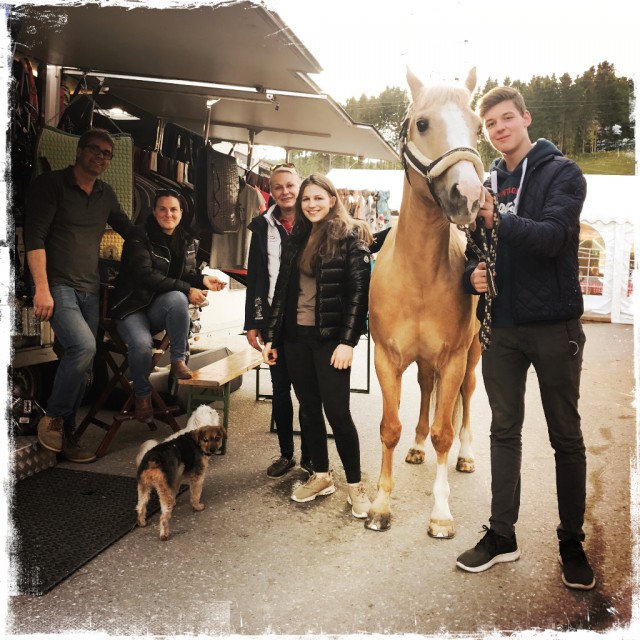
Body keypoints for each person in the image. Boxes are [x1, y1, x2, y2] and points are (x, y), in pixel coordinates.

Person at [456, 86, 594, 590]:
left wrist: (500, 218)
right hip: (503, 329)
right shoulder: (485, 181)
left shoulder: (563, 173)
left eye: (506, 119)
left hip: (556, 326)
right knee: (503, 431)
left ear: (525, 118)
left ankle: (571, 541)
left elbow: (553, 237)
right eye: (490, 124)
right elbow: (475, 244)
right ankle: (501, 534)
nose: (499, 129)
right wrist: (472, 271)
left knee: (566, 437)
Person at [262, 173, 372, 518]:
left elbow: (359, 293)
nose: (311, 204)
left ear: (332, 199)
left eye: (318, 198)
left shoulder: (350, 235)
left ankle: (355, 485)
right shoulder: (298, 236)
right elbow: (282, 291)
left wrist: (348, 341)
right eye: (306, 199)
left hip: (330, 341)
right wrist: (273, 337)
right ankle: (321, 475)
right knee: (308, 408)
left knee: (338, 413)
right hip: (296, 338)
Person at [25, 128, 133, 463]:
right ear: (79, 150)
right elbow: (35, 237)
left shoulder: (106, 194)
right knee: (83, 347)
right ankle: (55, 417)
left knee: (84, 366)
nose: (100, 157)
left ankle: (66, 435)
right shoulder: (51, 185)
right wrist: (41, 288)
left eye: (106, 153)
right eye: (95, 150)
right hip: (56, 285)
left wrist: (169, 236)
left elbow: (131, 231)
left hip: (90, 288)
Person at [109, 189, 226, 421]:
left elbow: (188, 273)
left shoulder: (187, 239)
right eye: (162, 209)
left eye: (173, 209)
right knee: (142, 345)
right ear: (154, 211)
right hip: (131, 306)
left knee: (177, 299)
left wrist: (202, 280)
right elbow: (144, 274)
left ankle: (177, 361)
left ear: (181, 212)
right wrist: (187, 288)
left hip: (156, 308)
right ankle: (142, 397)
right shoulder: (139, 235)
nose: (168, 214)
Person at [244, 163, 315, 478]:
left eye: (290, 185)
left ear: (299, 187)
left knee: (308, 392)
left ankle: (312, 457)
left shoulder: (316, 220)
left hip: (306, 318)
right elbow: (256, 276)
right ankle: (286, 454)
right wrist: (253, 321)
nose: (285, 192)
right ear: (270, 191)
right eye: (278, 187)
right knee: (280, 389)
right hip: (274, 319)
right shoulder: (262, 226)